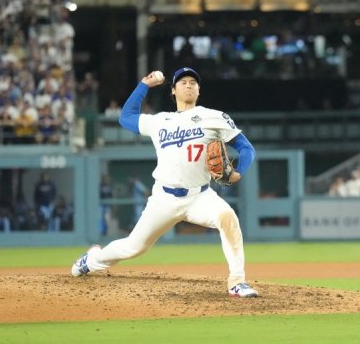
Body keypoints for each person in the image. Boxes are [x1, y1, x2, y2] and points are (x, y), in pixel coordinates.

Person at [70, 66, 259, 298]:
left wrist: (239, 171)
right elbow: (125, 117)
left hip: (200, 196)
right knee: (134, 247)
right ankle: (92, 260)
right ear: (173, 90)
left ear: (199, 90)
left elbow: (246, 149)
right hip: (164, 198)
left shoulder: (214, 117)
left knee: (227, 217)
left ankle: (237, 281)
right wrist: (144, 85)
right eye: (183, 82)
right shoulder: (160, 121)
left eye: (193, 82)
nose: (188, 85)